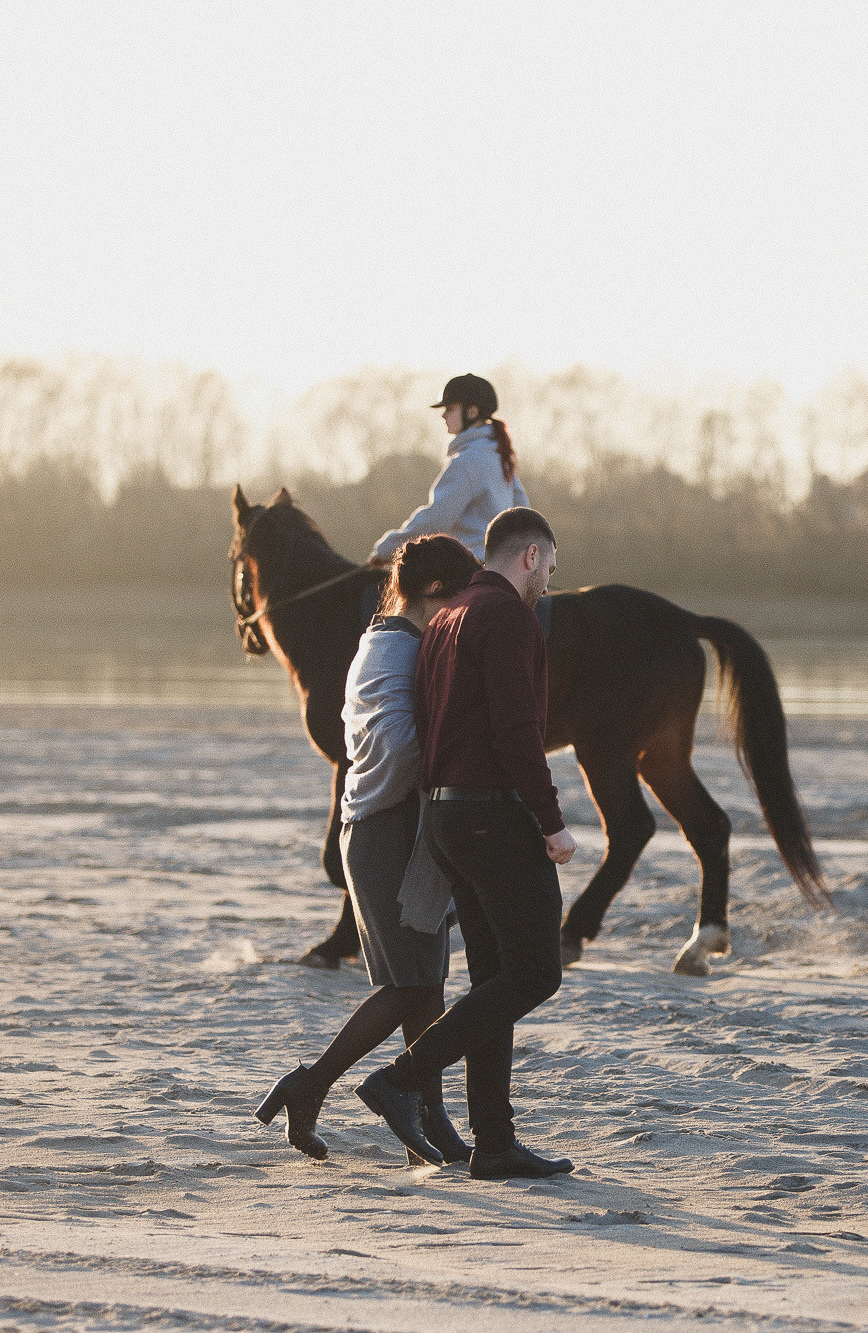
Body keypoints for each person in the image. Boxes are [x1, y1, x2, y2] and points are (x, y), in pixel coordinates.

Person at [356, 506, 579, 1180]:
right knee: (537, 970)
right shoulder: (505, 615)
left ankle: (494, 1141)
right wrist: (550, 819)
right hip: (492, 815)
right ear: (532, 556)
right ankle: (400, 1078)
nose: (547, 584)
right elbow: (518, 731)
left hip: (448, 819)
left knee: (494, 979)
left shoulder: (448, 617)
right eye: (550, 567)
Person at [255, 535, 483, 1163]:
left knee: (427, 982)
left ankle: (429, 1117)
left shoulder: (398, 643)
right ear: (434, 593)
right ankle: (315, 1085)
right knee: (407, 985)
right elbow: (395, 753)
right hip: (384, 833)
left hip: (405, 833)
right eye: (459, 601)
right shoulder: (390, 650)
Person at [370, 374, 528, 563]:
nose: (444, 415)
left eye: (451, 409)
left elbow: (435, 520)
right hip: (500, 565)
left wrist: (386, 550)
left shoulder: (468, 460)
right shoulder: (497, 456)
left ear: (471, 412)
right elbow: (523, 509)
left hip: (470, 567)